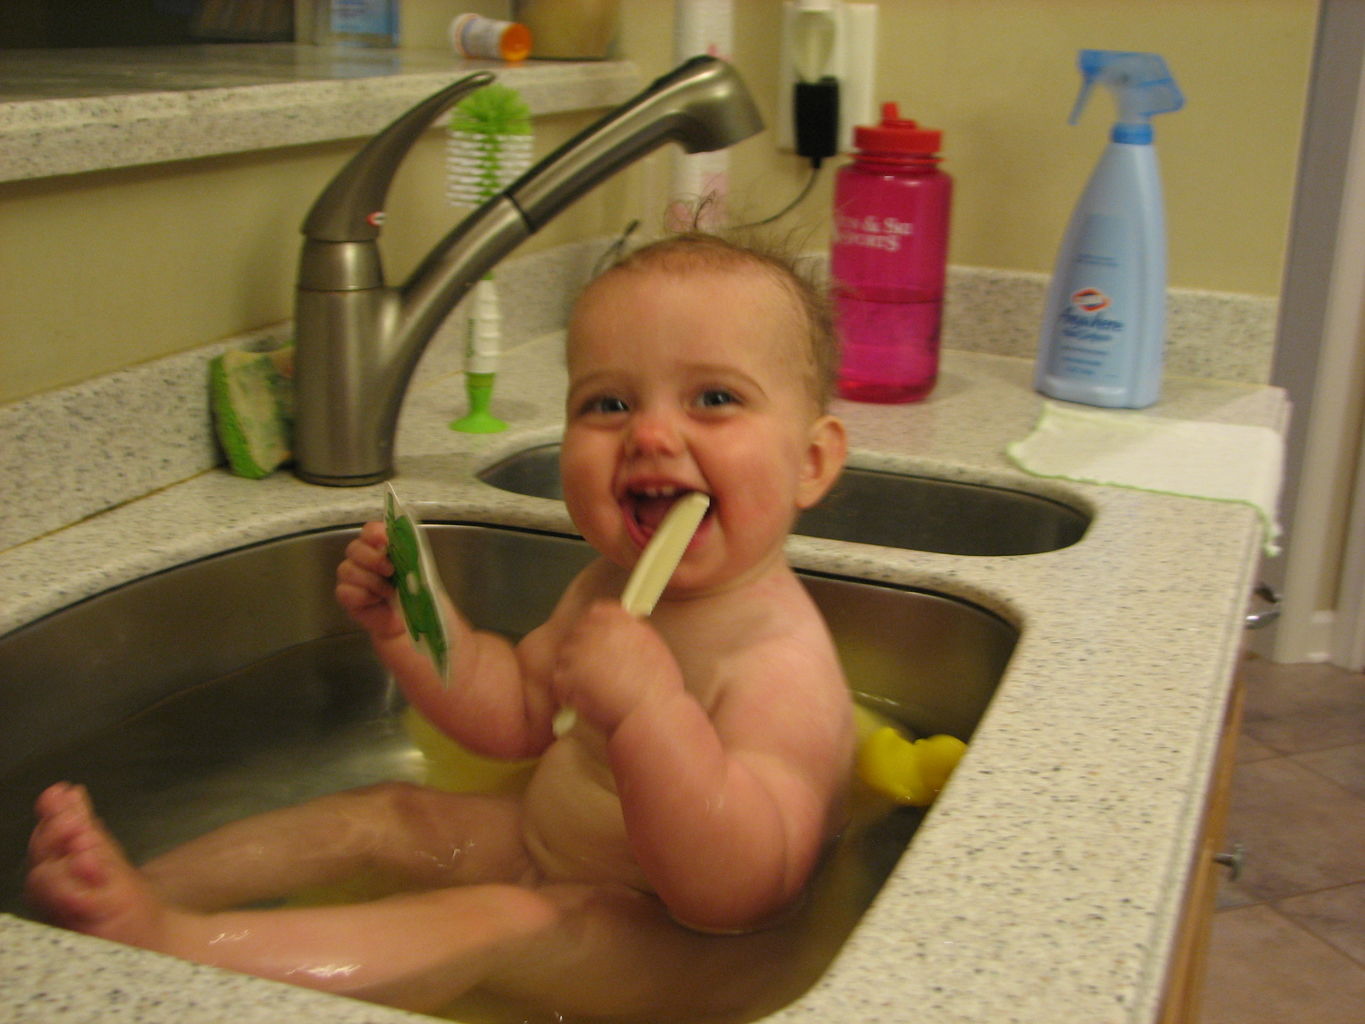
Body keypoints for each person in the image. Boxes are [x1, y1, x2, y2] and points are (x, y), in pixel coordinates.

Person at [26, 232, 854, 1017]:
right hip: (546, 848)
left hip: (671, 944)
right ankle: (133, 892)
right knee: (389, 811)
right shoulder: (611, 585)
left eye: (714, 398)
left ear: (810, 462)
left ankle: (179, 944)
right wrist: (417, 634)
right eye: (607, 402)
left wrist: (649, 716)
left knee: (496, 921)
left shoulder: (777, 660)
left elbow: (739, 892)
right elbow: (520, 714)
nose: (650, 433)